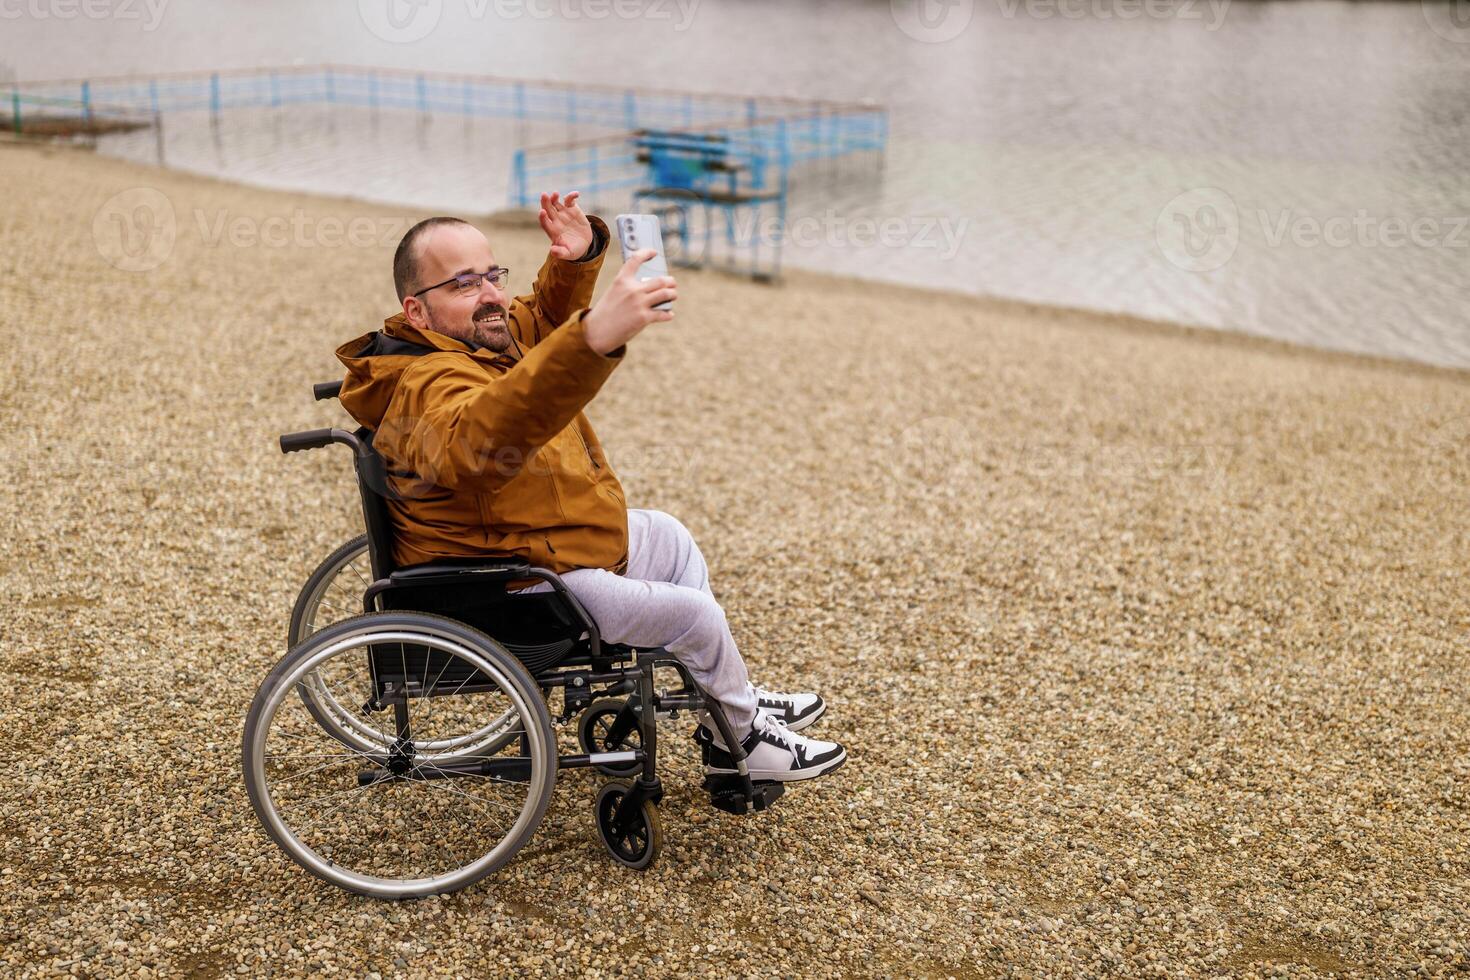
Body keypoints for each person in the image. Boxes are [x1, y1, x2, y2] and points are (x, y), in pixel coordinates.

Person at [334, 190, 846, 782]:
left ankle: (729, 705)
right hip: (513, 583)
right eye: (464, 283)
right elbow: (479, 437)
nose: (492, 295)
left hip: (541, 549)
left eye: (492, 275)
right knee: (695, 617)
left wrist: (575, 259)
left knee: (668, 536)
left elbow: (535, 325)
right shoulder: (425, 382)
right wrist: (595, 335)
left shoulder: (469, 340)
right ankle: (743, 739)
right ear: (416, 311)